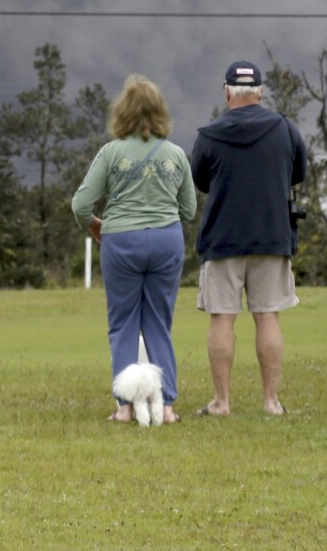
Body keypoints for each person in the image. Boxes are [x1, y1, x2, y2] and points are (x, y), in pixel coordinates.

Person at [72, 74, 197, 424]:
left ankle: (125, 408)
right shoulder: (175, 155)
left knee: (123, 322)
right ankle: (167, 406)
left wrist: (97, 224)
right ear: (160, 113)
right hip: (165, 241)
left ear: (121, 114)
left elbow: (80, 204)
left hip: (121, 242)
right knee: (158, 321)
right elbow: (188, 211)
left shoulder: (110, 153)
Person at [192, 60, 307, 417]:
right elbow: (298, 172)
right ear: (259, 92)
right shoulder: (286, 129)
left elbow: (201, 181)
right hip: (272, 236)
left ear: (227, 93)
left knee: (222, 318)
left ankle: (222, 402)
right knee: (268, 316)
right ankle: (271, 402)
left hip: (223, 239)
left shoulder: (209, 134)